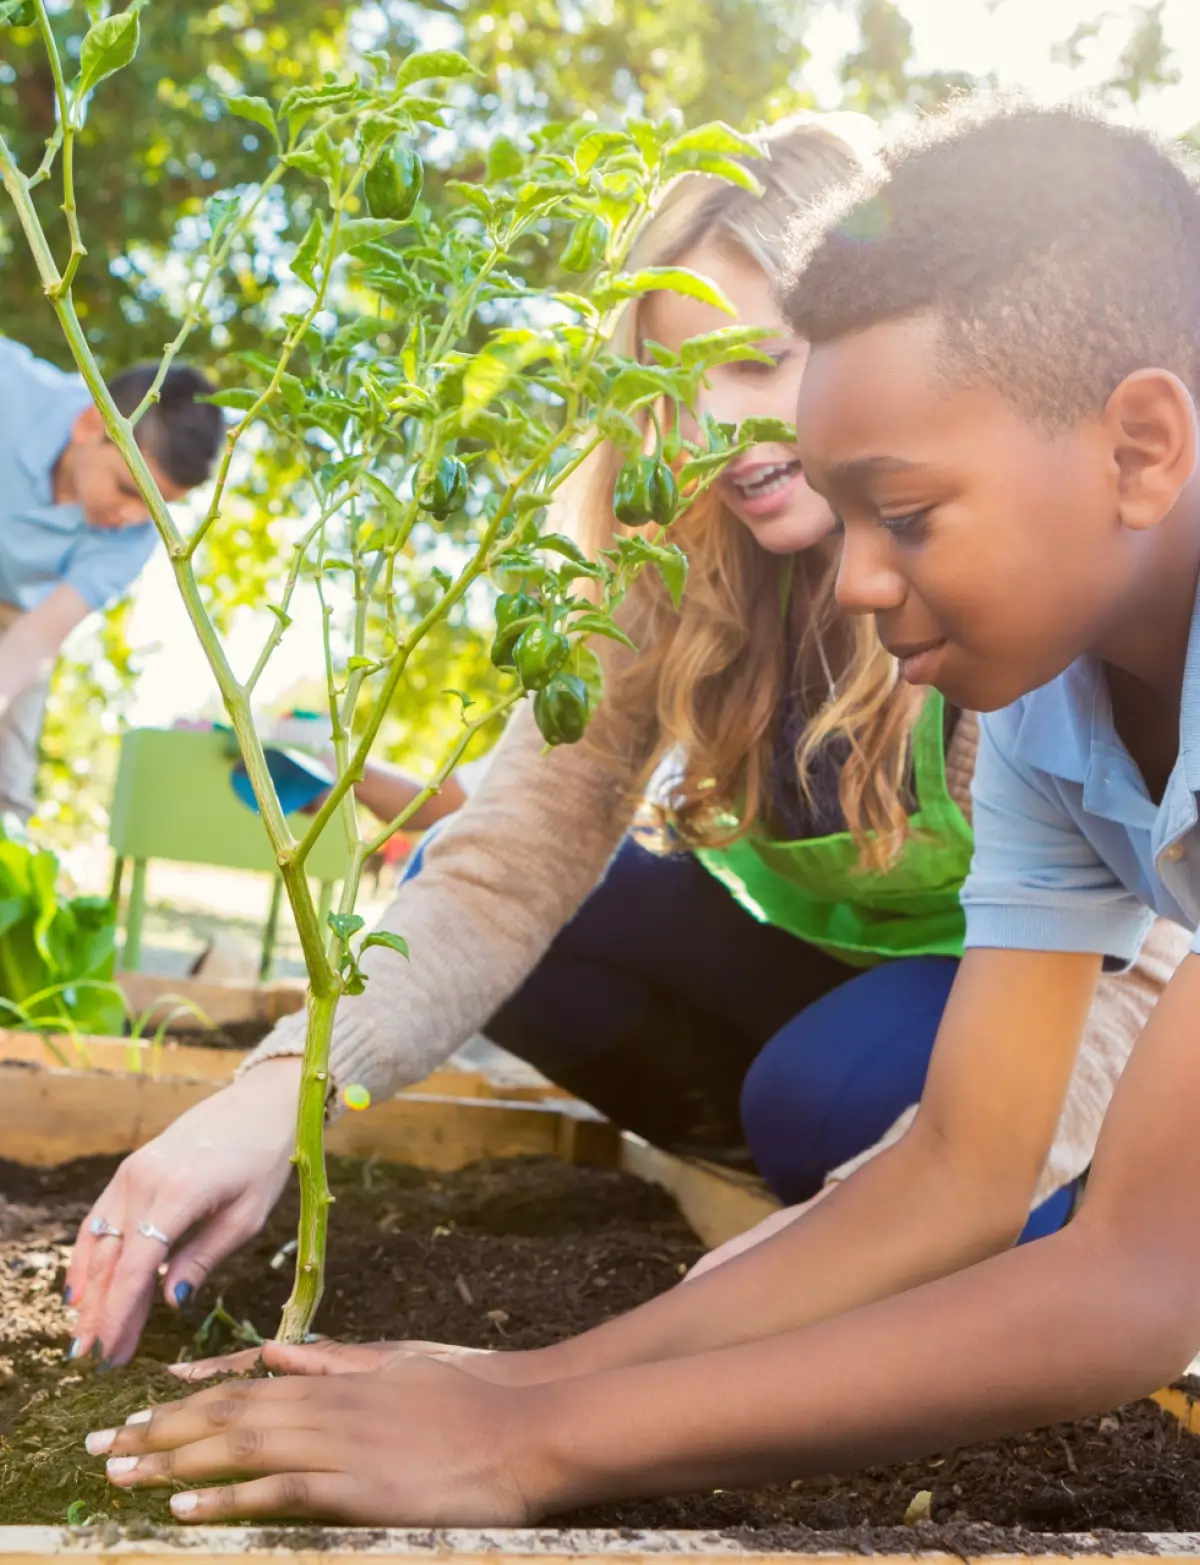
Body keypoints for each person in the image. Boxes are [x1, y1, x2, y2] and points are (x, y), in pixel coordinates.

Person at [88, 94, 1200, 1526]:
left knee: (842, 1107)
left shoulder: (1013, 650)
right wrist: (536, 1382)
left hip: (1041, 1054)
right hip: (945, 1033)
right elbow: (957, 1171)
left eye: (905, 515)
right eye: (684, 382)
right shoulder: (1050, 697)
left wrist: (543, 1443)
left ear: (1141, 444)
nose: (859, 582)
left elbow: (1134, 1285)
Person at [0, 340, 222, 820]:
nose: (131, 517)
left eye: (156, 506)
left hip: (19, 616)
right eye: (127, 489)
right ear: (88, 426)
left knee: (8, 779)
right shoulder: (10, 387)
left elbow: (39, 635)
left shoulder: (137, 534)